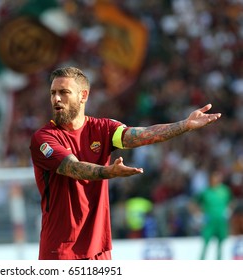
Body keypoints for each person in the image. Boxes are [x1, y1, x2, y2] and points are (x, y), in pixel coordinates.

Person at [29, 66, 221, 260]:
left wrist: (184, 125)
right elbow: (74, 168)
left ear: (83, 95)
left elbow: (140, 135)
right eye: (53, 93)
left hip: (99, 251)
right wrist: (108, 172)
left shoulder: (103, 128)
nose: (57, 99)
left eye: (64, 92)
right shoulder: (44, 138)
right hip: (60, 251)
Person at [195, 171, 232, 260]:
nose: (216, 179)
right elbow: (194, 203)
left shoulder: (225, 190)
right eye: (214, 177)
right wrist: (198, 214)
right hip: (209, 221)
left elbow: (231, 202)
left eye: (218, 177)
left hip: (221, 221)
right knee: (206, 241)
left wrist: (228, 211)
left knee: (221, 242)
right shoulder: (205, 192)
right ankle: (201, 260)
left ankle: (219, 260)